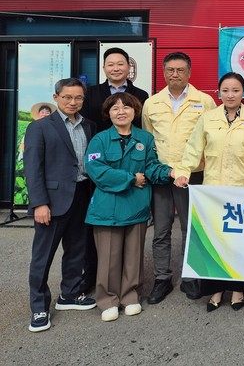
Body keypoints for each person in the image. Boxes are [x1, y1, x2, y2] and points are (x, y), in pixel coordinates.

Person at [176, 72, 244, 312]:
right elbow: (193, 149)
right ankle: (216, 289)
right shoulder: (208, 118)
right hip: (213, 192)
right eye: (225, 90)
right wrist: (183, 171)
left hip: (242, 191)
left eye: (235, 90)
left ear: (243, 92)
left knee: (239, 244)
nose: (230, 95)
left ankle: (238, 290)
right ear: (218, 93)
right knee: (214, 242)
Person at [84, 93, 174, 322]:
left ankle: (131, 296)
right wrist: (131, 178)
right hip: (107, 209)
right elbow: (96, 170)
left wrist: (171, 173)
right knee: (109, 257)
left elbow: (152, 166)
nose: (121, 112)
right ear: (108, 113)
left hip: (136, 206)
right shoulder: (100, 140)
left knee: (134, 256)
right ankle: (108, 300)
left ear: (135, 111)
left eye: (126, 107)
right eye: (115, 108)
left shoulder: (145, 138)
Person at [142, 52, 216, 304]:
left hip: (192, 175)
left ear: (189, 72)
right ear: (164, 72)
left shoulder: (204, 101)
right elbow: (148, 139)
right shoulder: (152, 103)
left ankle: (190, 276)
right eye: (170, 70)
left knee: (190, 227)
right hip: (162, 175)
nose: (175, 74)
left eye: (180, 70)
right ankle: (162, 277)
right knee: (161, 229)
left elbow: (211, 137)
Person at [24, 78, 97, 332]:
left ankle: (69, 294)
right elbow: (33, 168)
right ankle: (39, 307)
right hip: (52, 201)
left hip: (82, 195)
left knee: (77, 249)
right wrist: (39, 203)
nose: (72, 102)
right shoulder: (40, 127)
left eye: (78, 98)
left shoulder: (89, 126)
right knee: (43, 256)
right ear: (56, 98)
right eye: (67, 97)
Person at [81, 47, 149, 293]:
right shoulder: (91, 94)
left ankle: (128, 286)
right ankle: (93, 276)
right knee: (99, 226)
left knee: (131, 229)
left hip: (131, 165)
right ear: (104, 68)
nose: (116, 68)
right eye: (111, 64)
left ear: (129, 67)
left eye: (121, 63)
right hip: (101, 164)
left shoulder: (141, 95)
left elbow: (142, 133)